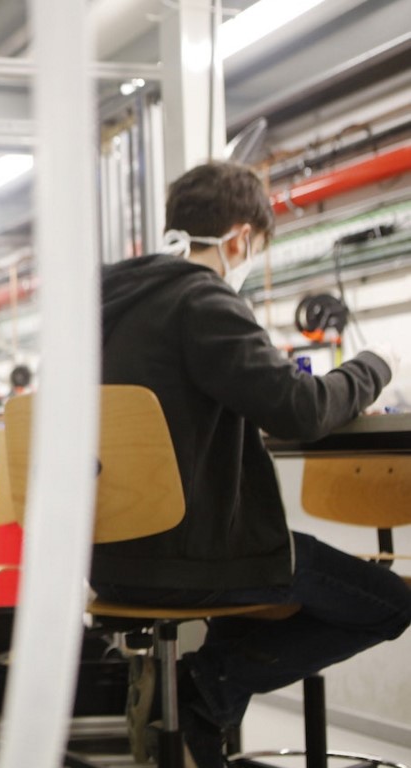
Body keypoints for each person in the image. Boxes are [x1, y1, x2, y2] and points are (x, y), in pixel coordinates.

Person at [95, 161, 411, 767]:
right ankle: (202, 689)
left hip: (110, 561)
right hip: (195, 556)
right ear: (240, 238)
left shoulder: (105, 309)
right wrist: (376, 364)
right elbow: (300, 409)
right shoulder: (201, 298)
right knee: (390, 604)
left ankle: (201, 717)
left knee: (255, 593)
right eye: (256, 250)